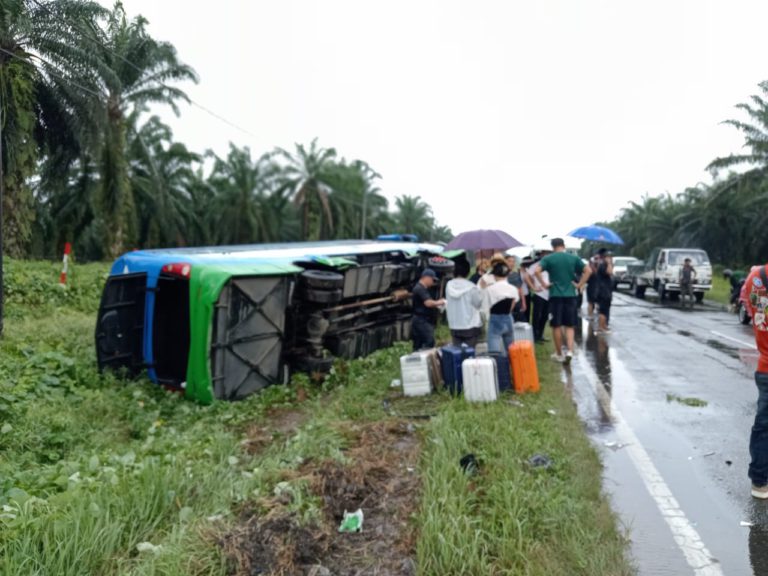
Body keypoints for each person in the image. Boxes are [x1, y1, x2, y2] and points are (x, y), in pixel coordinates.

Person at [535, 237, 591, 364]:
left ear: (552, 247)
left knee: (556, 325)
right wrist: (579, 284)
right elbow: (588, 271)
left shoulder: (548, 258)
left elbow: (537, 271)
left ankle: (559, 353)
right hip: (571, 295)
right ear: (564, 245)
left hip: (555, 295)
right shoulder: (573, 258)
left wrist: (544, 284)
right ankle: (570, 351)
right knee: (570, 325)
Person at [743, 264, 768, 498]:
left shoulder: (756, 278)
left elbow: (758, 316)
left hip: (766, 366)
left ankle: (760, 481)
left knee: (764, 425)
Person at [483, 259, 519, 355]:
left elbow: (485, 307)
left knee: (494, 352)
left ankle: (498, 367)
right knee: (511, 350)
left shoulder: (489, 289)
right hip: (508, 318)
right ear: (507, 275)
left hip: (495, 318)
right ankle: (512, 368)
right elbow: (513, 303)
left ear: (494, 275)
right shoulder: (513, 289)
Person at [445, 259, 484, 347]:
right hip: (470, 325)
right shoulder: (471, 287)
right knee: (469, 354)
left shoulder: (448, 285)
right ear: (467, 271)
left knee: (457, 354)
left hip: (454, 325)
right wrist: (481, 289)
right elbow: (478, 304)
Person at [411, 268, 445, 350]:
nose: (433, 282)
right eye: (432, 280)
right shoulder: (420, 289)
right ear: (426, 277)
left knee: (419, 343)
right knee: (429, 341)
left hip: (420, 319)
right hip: (421, 320)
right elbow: (428, 303)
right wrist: (440, 302)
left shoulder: (421, 289)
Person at [526, 252, 551, 343]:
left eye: (548, 254)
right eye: (545, 254)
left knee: (545, 316)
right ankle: (534, 336)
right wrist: (533, 287)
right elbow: (527, 277)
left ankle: (540, 334)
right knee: (537, 316)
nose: (547, 256)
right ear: (541, 255)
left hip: (549, 294)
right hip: (539, 294)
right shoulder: (535, 265)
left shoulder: (551, 265)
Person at [595, 248, 614, 333]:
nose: (610, 259)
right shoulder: (602, 265)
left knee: (606, 309)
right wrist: (609, 263)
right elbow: (609, 272)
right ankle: (601, 327)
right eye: (609, 257)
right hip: (603, 291)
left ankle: (604, 326)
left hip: (606, 290)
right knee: (603, 310)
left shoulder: (602, 264)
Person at [506, 254, 528, 322]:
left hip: (517, 302)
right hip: (507, 302)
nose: (511, 263)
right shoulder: (501, 275)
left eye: (513, 261)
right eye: (509, 261)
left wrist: (523, 302)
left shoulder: (516, 274)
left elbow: (520, 289)